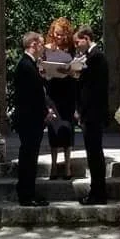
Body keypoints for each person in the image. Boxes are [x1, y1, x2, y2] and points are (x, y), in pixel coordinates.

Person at [13, 32, 51, 207]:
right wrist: (45, 112)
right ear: (33, 45)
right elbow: (33, 96)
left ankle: (28, 192)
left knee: (30, 157)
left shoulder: (29, 64)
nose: (43, 48)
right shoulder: (26, 66)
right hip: (30, 120)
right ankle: (26, 195)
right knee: (28, 157)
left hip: (30, 119)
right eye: (41, 44)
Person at [74, 26, 109, 205]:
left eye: (78, 41)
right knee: (93, 153)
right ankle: (96, 191)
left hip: (93, 113)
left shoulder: (96, 57)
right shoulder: (90, 57)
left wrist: (78, 73)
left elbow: (92, 89)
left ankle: (98, 193)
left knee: (95, 154)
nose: (76, 45)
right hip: (90, 113)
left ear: (86, 38)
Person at [42, 18, 77, 180]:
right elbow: (40, 70)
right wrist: (45, 72)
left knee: (68, 128)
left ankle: (68, 166)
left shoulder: (72, 50)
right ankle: (54, 166)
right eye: (57, 34)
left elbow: (78, 71)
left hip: (68, 93)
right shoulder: (45, 50)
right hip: (52, 93)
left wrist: (71, 72)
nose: (60, 37)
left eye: (63, 34)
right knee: (54, 128)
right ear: (52, 33)